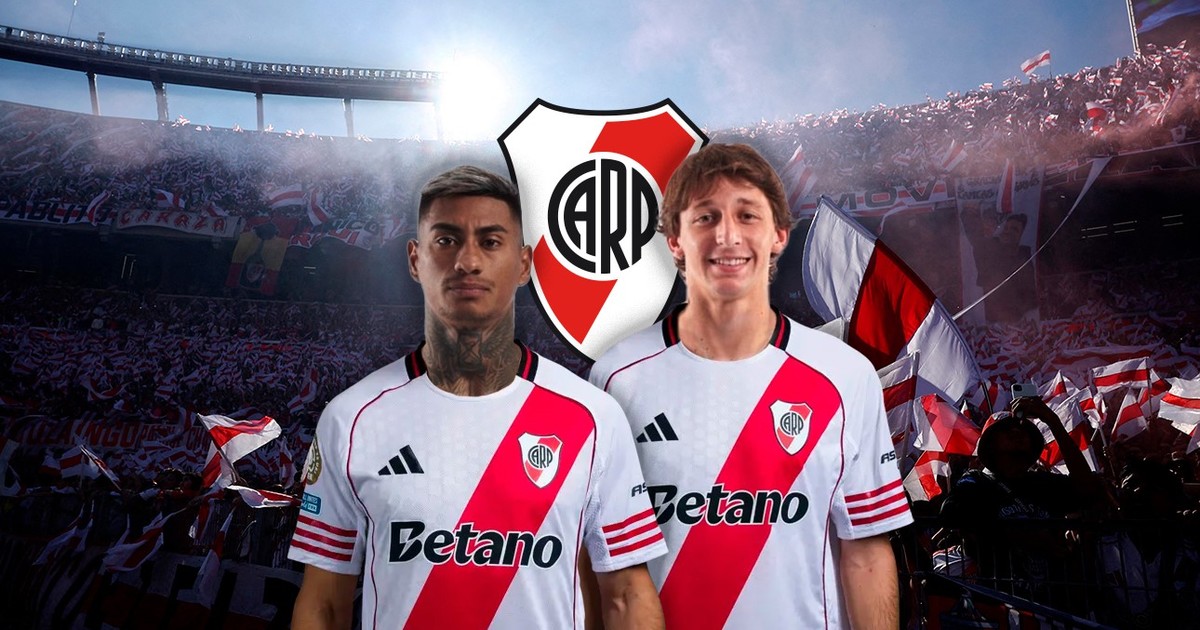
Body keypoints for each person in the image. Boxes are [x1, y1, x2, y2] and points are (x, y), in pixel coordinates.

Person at [289, 166, 666, 630]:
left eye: (490, 241)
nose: (467, 261)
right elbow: (324, 605)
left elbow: (626, 596)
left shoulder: (593, 418)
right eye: (446, 240)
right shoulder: (351, 419)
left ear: (523, 264)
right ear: (415, 259)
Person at [589, 144, 912, 629]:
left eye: (747, 215)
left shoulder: (844, 375)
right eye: (705, 218)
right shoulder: (616, 379)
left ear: (779, 234)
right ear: (674, 240)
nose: (727, 235)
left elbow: (865, 553)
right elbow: (604, 568)